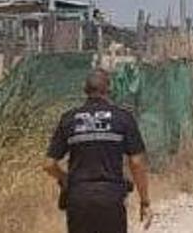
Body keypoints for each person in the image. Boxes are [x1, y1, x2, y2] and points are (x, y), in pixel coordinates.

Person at [44, 68, 152, 232]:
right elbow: (136, 162)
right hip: (111, 198)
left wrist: (65, 178)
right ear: (109, 89)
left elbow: (49, 164)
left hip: (79, 198)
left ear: (85, 90)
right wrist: (144, 202)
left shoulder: (69, 119)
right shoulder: (123, 118)